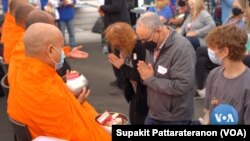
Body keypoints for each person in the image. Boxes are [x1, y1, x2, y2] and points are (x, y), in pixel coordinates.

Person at [7, 23, 111, 140]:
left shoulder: (25, 69)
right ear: (51, 50)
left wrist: (74, 102)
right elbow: (78, 135)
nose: (63, 52)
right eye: (61, 48)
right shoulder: (46, 92)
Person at [136, 12, 196, 125]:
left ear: (158, 31)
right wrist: (145, 76)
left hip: (175, 118)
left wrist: (150, 79)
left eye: (145, 39)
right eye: (140, 40)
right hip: (154, 113)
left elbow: (182, 86)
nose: (143, 43)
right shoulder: (151, 44)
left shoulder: (182, 49)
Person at [200, 25, 250, 125]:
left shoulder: (247, 83)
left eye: (213, 47)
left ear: (225, 51)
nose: (210, 51)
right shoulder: (213, 74)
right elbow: (208, 110)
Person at [105, 22, 148, 124]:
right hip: (134, 93)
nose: (116, 46)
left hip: (144, 95)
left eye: (118, 44)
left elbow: (140, 76)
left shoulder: (140, 48)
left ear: (124, 39)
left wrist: (121, 66)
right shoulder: (124, 49)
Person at [98, 0, 131, 91]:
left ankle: (124, 81)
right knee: (114, 53)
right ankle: (120, 79)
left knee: (119, 54)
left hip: (118, 27)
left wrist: (102, 7)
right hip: (116, 25)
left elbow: (116, 7)